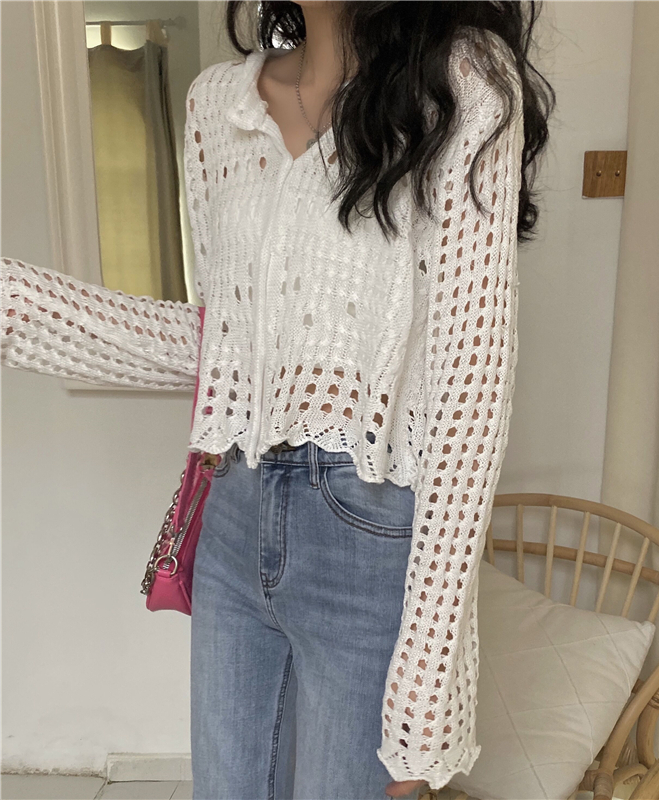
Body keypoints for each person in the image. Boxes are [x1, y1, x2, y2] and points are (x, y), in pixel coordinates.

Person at [1, 1, 554, 798]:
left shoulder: (461, 84)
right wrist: (17, 305)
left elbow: (470, 389)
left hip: (368, 529)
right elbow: (225, 346)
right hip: (233, 507)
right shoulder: (215, 106)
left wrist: (427, 686)